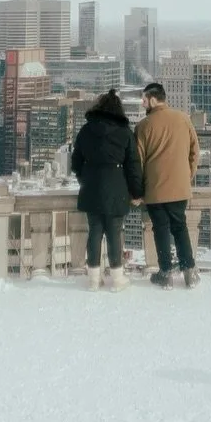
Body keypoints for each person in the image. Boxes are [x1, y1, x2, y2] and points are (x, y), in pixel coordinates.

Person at [70, 89, 143, 291]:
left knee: (94, 232)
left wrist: (85, 178)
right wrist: (137, 192)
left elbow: (75, 162)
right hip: (117, 188)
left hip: (91, 187)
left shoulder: (86, 131)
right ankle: (117, 279)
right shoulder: (125, 133)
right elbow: (133, 167)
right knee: (114, 233)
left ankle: (94, 278)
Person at [134, 80, 200, 288]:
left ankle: (166, 273)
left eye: (144, 100)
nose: (143, 104)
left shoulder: (143, 126)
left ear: (153, 99)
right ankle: (189, 271)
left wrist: (138, 190)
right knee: (180, 227)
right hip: (180, 187)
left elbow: (138, 161)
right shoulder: (183, 118)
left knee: (161, 229)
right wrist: (187, 175)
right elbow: (195, 151)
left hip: (155, 188)